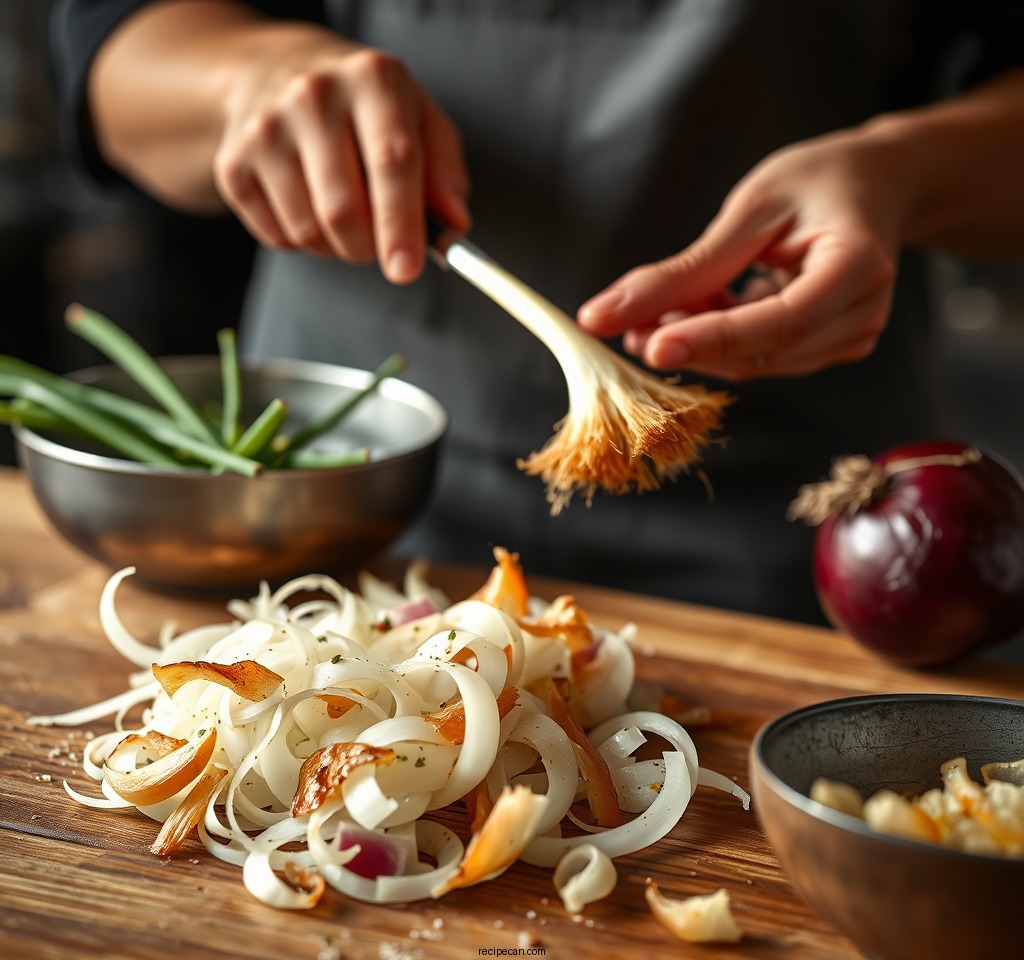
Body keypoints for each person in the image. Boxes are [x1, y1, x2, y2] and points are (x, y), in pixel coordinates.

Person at [49, 1, 1024, 627]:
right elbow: (104, 45)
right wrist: (245, 76)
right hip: (334, 508)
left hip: (796, 542)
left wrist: (901, 175)